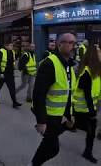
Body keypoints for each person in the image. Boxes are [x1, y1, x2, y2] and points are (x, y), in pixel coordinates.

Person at [31, 33, 76, 166]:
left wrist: (68, 115)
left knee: (50, 146)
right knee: (52, 148)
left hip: (59, 115)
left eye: (74, 43)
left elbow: (67, 93)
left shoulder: (68, 65)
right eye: (69, 43)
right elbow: (38, 94)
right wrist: (41, 121)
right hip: (50, 116)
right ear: (59, 44)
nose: (73, 46)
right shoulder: (50, 63)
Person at [73, 43, 101, 164]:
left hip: (90, 107)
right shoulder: (86, 73)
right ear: (94, 56)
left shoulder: (97, 70)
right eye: (99, 51)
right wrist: (92, 110)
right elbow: (87, 94)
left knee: (91, 131)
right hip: (81, 108)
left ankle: (87, 152)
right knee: (67, 126)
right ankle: (51, 132)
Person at [0, 43, 22, 108]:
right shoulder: (1, 52)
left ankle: (14, 102)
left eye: (12, 45)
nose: (12, 47)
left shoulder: (12, 52)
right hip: (2, 73)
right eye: (10, 45)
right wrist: (0, 73)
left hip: (10, 74)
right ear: (6, 46)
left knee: (12, 88)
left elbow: (15, 58)